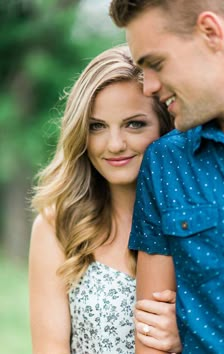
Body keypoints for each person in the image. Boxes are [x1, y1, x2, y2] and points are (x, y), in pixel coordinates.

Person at [28, 45, 181, 354]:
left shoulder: (197, 221)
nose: (114, 144)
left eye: (134, 124)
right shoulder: (58, 227)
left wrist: (186, 335)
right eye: (96, 127)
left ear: (165, 127)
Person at [109, 1, 224, 353]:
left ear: (211, 33)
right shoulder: (166, 163)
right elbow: (150, 337)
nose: (148, 86)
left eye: (156, 64)